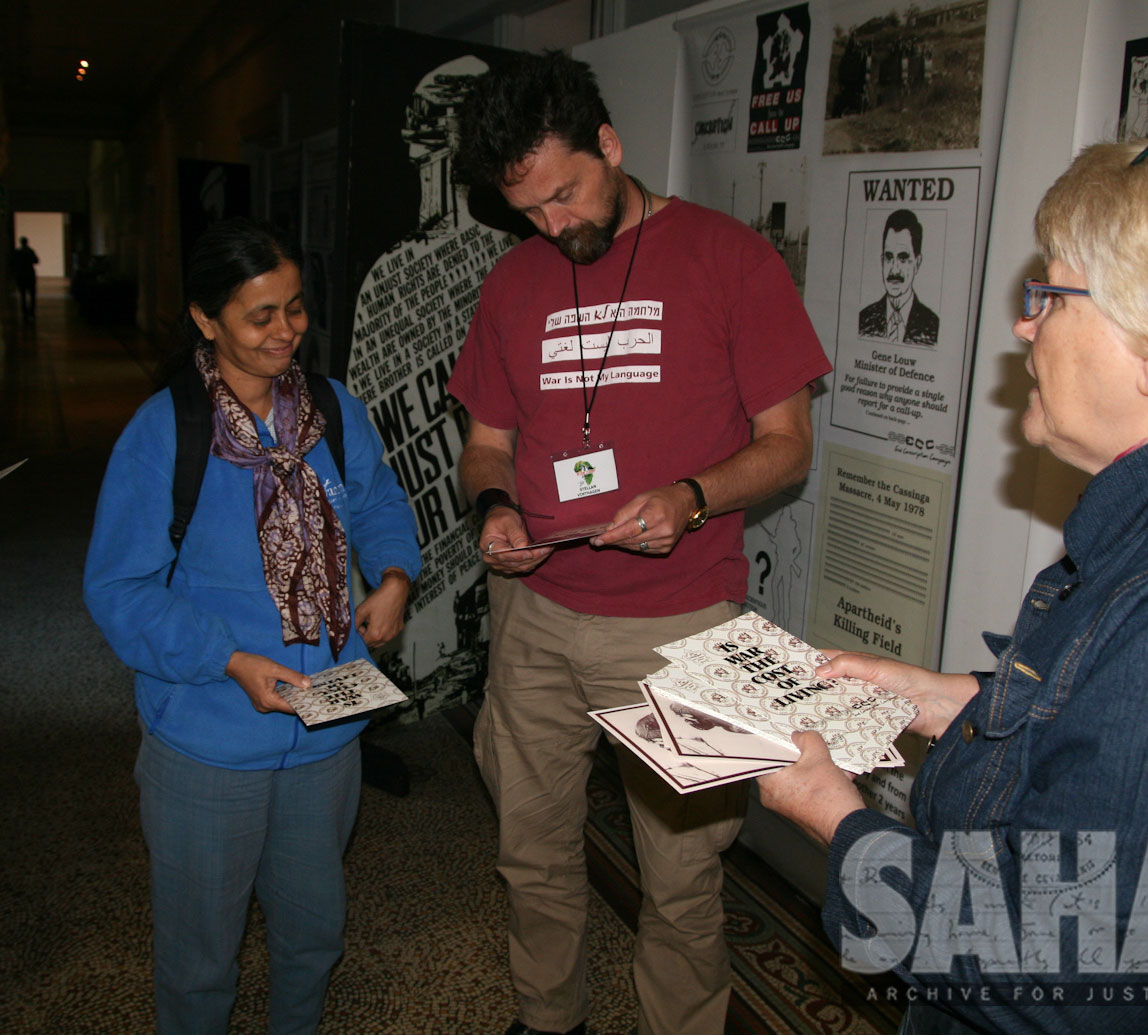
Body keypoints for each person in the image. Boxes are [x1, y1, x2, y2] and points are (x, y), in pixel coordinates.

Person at [759, 120, 1148, 1033]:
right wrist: (948, 698)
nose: (1025, 323)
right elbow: (1119, 728)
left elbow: (1089, 976)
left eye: (1053, 294)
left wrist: (837, 821)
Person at [447, 51, 831, 1035]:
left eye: (567, 194)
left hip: (687, 625)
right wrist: (495, 508)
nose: (553, 224)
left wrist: (693, 497)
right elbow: (485, 445)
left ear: (612, 146)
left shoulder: (732, 258)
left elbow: (788, 446)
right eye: (529, 209)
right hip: (535, 621)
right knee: (530, 849)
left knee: (684, 875)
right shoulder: (514, 282)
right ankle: (548, 1015)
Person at [83, 218, 421, 1034]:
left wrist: (395, 578)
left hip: (326, 737)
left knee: (312, 934)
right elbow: (120, 589)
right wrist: (226, 657)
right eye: (259, 315)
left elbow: (377, 504)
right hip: (208, 744)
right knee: (200, 962)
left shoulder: (334, 410)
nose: (285, 333)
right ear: (205, 319)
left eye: (296, 309)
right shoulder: (165, 431)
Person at [857, 209, 939, 346]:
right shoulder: (863, 320)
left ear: (917, 263)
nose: (894, 269)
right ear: (882, 260)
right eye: (889, 258)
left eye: (903, 258)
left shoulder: (933, 326)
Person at [12, 236, 38, 320]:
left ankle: (25, 313)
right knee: (32, 295)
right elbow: (36, 261)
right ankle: (32, 313)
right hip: (30, 275)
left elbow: (13, 263)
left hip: (21, 275)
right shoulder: (30, 251)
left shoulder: (17, 252)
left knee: (23, 296)